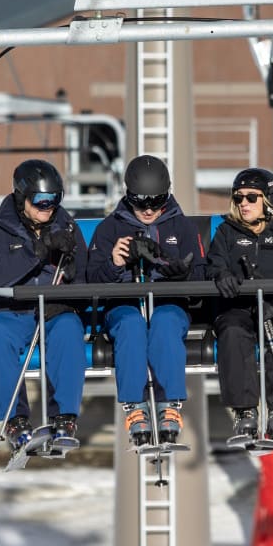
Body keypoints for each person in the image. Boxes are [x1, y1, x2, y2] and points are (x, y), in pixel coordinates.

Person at [87, 155, 205, 447]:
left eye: (157, 201)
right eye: (141, 203)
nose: (150, 210)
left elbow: (201, 274)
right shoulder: (110, 229)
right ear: (128, 197)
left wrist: (179, 271)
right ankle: (135, 405)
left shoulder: (182, 228)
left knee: (165, 323)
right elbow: (91, 278)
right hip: (124, 303)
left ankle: (169, 404)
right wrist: (115, 263)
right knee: (130, 325)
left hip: (169, 302)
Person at [0, 160, 88, 451]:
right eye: (40, 201)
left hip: (54, 308)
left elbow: (87, 274)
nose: (48, 207)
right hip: (14, 309)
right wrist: (36, 252)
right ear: (21, 197)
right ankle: (15, 420)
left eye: (55, 200)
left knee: (68, 330)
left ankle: (64, 416)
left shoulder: (66, 225)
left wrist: (74, 274)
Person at [207, 168, 273, 439]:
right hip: (239, 307)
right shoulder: (226, 232)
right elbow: (213, 263)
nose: (243, 203)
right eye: (238, 197)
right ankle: (245, 411)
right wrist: (221, 274)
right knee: (232, 330)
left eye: (251, 197)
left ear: (268, 199)